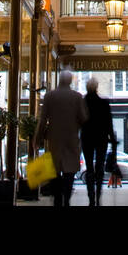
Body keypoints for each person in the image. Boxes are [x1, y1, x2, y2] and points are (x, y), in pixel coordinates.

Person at [38, 71, 88, 206]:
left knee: (55, 169)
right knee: (69, 171)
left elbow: (42, 120)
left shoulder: (49, 96)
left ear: (60, 80)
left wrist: (38, 137)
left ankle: (57, 198)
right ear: (70, 81)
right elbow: (84, 119)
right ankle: (66, 198)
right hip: (71, 139)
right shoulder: (77, 97)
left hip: (54, 139)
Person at [80, 77, 117, 206]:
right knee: (100, 167)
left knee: (89, 167)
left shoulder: (82, 103)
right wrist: (112, 139)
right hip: (101, 138)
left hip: (87, 138)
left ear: (86, 88)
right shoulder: (104, 103)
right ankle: (98, 196)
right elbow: (109, 123)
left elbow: (79, 121)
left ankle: (91, 197)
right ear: (96, 87)